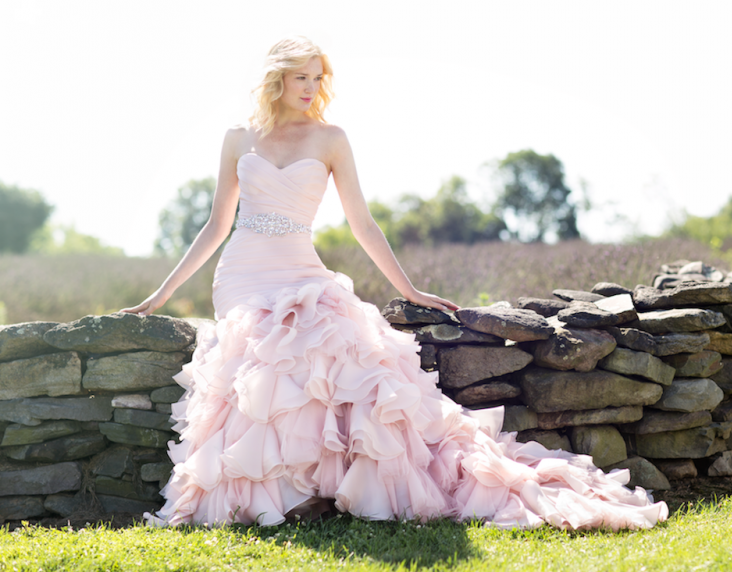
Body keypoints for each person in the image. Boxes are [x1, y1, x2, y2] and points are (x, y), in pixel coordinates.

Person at [124, 35, 668, 530]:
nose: (312, 88)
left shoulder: (331, 138)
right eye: (302, 78)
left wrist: (410, 290)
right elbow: (217, 224)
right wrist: (160, 295)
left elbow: (362, 224)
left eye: (318, 78)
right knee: (260, 372)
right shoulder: (237, 138)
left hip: (301, 267)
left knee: (343, 357)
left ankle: (329, 490)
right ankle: (279, 495)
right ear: (277, 80)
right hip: (242, 273)